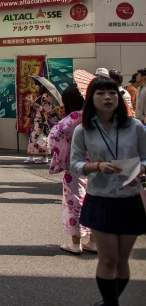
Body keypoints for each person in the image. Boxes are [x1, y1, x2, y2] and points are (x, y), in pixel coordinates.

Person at [70, 76, 146, 306]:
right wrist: (97, 166)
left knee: (122, 261)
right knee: (108, 258)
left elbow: (145, 157)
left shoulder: (135, 127)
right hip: (100, 198)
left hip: (130, 197)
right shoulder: (83, 130)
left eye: (112, 92)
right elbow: (75, 164)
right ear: (91, 99)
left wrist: (138, 168)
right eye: (101, 93)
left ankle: (107, 303)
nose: (108, 97)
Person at [47, 84, 97, 255]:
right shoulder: (96, 116)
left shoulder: (73, 118)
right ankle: (94, 241)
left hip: (76, 165)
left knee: (74, 201)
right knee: (93, 201)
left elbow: (54, 138)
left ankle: (76, 243)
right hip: (97, 165)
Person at [25, 82, 57, 164]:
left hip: (42, 120)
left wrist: (33, 103)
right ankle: (39, 156)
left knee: (38, 137)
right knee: (39, 137)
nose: (35, 87)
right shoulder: (42, 95)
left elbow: (45, 109)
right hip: (40, 119)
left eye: (36, 85)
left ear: (41, 86)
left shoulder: (45, 96)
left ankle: (39, 156)